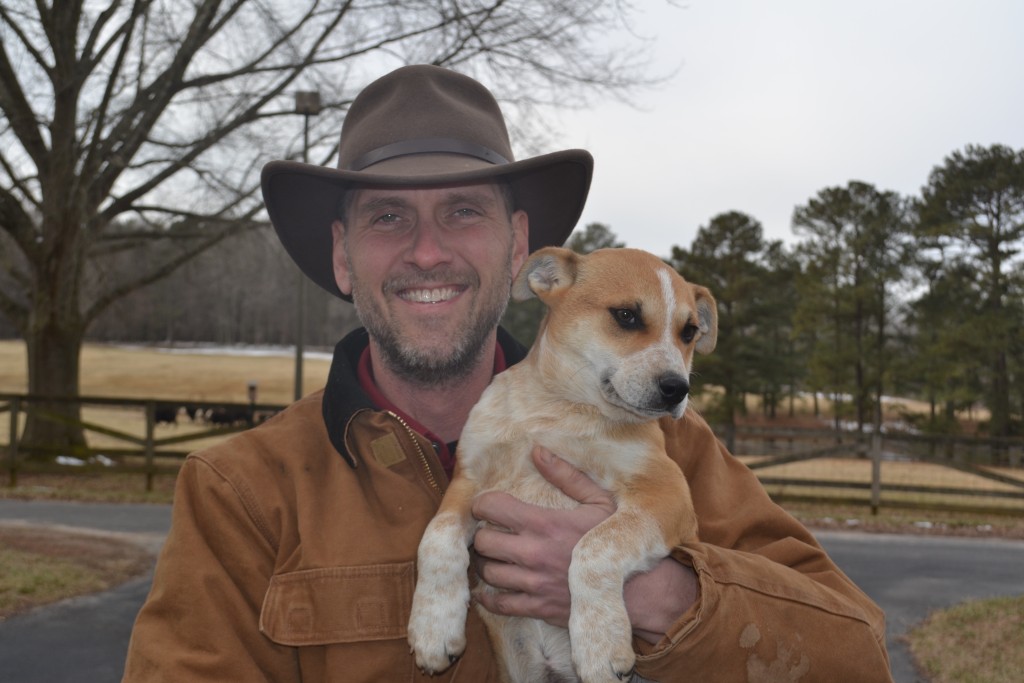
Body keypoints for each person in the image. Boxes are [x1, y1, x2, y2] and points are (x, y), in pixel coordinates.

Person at [122, 64, 893, 682]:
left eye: (464, 211)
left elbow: (857, 656)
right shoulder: (244, 491)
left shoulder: (667, 446)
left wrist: (661, 592)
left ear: (522, 246)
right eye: (387, 217)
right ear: (340, 254)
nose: (428, 251)